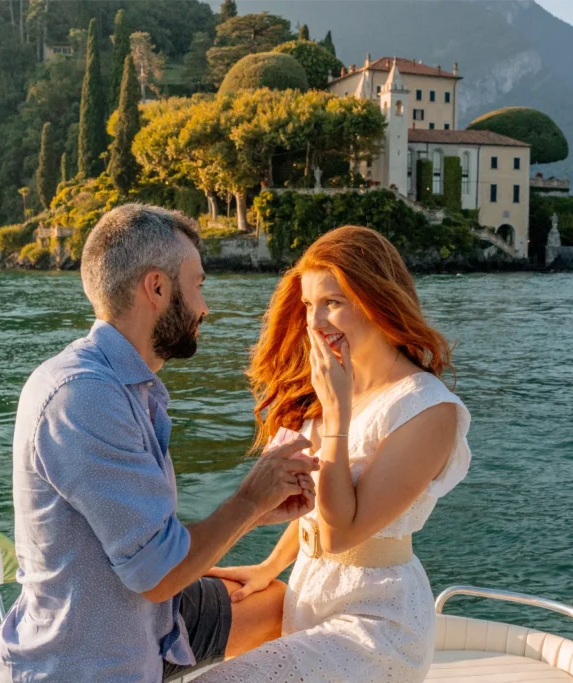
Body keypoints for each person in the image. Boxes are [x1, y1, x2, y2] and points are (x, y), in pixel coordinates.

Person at [0, 204, 318, 683]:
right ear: (157, 288)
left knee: (274, 604)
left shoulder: (125, 385)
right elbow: (157, 575)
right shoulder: (84, 396)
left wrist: (262, 510)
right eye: (197, 284)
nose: (204, 307)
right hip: (85, 664)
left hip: (145, 622)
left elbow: (153, 545)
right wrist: (248, 498)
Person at [198, 226, 473, 681]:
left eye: (333, 302)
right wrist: (269, 567)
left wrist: (338, 415)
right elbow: (314, 511)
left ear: (377, 299)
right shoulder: (334, 387)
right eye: (309, 305)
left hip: (380, 621)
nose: (315, 321)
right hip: (309, 597)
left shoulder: (427, 409)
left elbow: (342, 533)